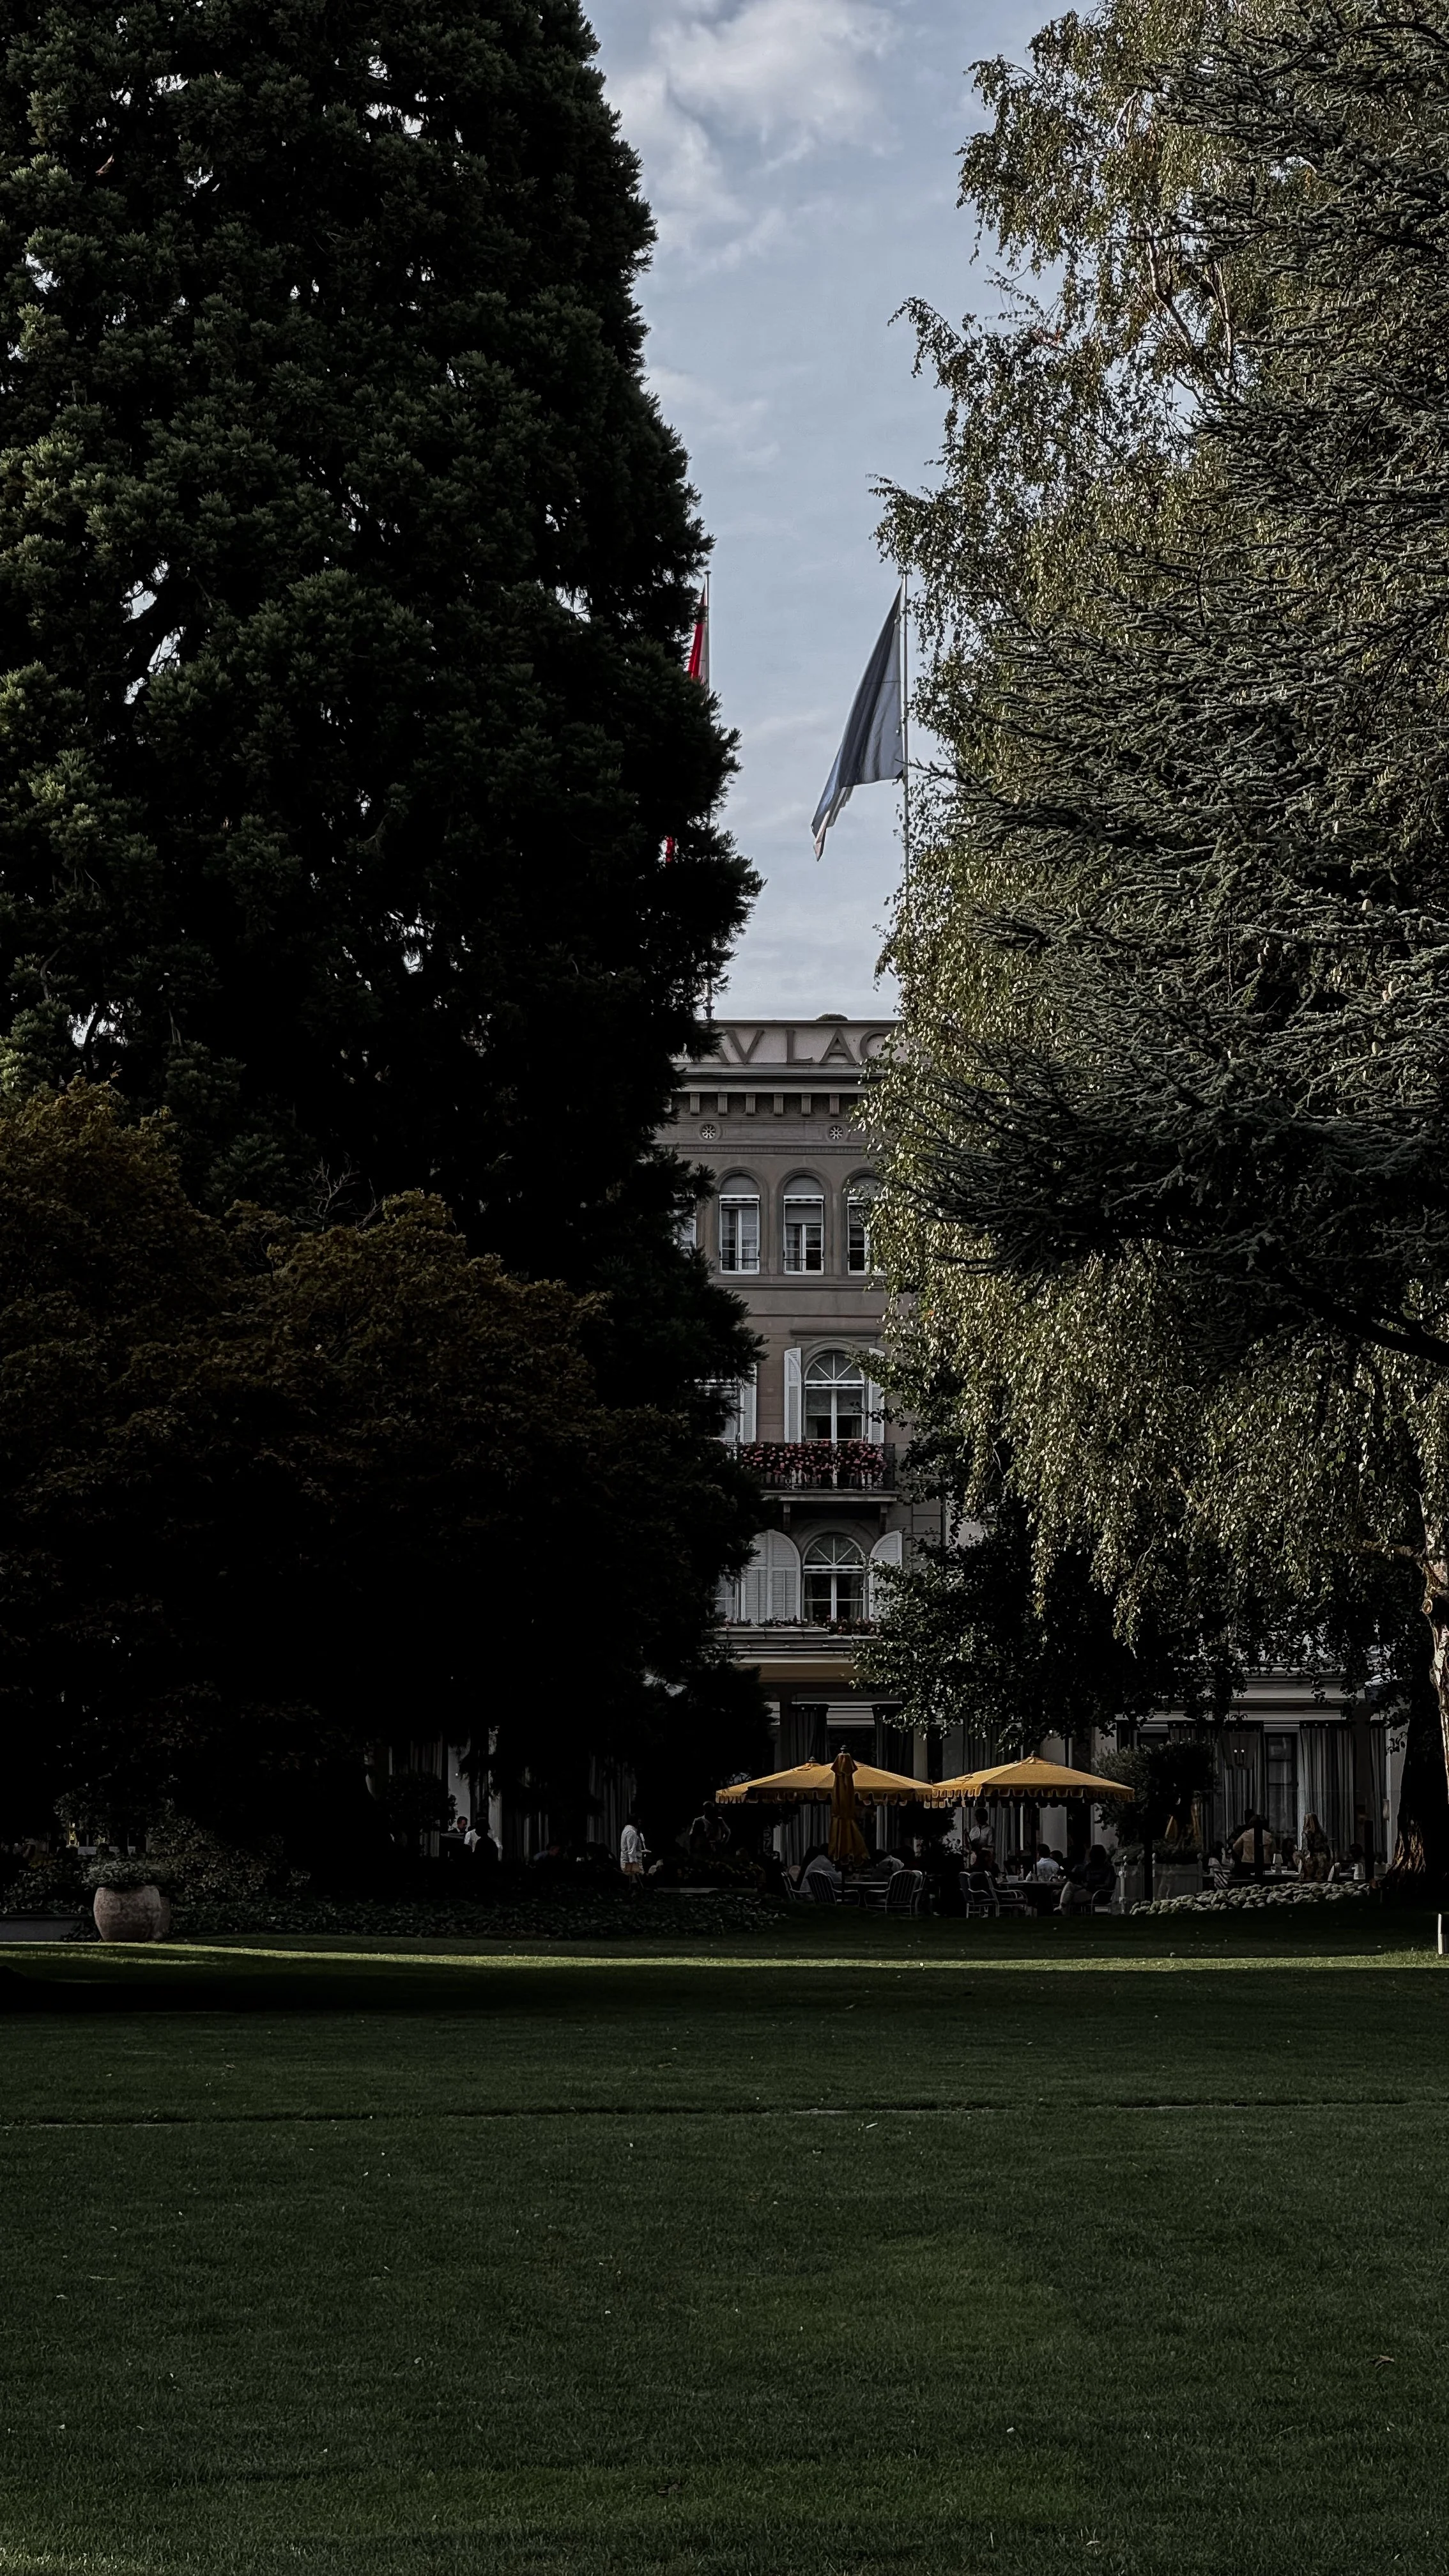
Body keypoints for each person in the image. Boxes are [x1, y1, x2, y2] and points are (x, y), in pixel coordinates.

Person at [1233, 1813, 1275, 1880]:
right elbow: (1273, 1851)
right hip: (1264, 1863)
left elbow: (1235, 1847)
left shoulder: (1246, 1834)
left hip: (1247, 1862)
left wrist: (1242, 1855)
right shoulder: (1268, 1835)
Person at [1299, 1813, 1331, 1883]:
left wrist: (1302, 1858)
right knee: (1322, 1880)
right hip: (1323, 1858)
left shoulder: (1306, 1833)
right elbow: (1326, 1847)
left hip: (1311, 1859)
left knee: (1309, 1881)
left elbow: (1305, 1848)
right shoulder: (1322, 1833)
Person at [619, 1812, 648, 1887]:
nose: (640, 1824)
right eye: (639, 1822)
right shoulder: (631, 1832)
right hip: (630, 1862)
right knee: (634, 1884)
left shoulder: (629, 1830)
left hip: (629, 1861)